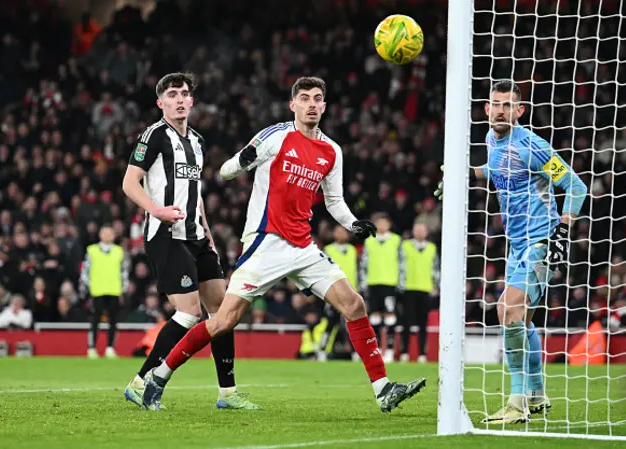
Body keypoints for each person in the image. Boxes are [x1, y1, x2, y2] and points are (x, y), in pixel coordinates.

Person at [142, 76, 426, 412]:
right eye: (304, 98)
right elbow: (226, 171)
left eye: (317, 98)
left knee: (354, 304)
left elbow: (334, 200)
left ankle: (383, 389)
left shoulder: (331, 151)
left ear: (324, 106)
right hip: (265, 242)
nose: (311, 105)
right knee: (223, 321)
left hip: (303, 246)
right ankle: (159, 377)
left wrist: (352, 223)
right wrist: (244, 159)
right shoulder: (275, 136)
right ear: (293, 105)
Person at [435, 80, 587, 424]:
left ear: (519, 111)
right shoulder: (491, 141)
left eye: (508, 105)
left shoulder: (532, 146)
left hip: (541, 242)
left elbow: (574, 186)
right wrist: (466, 173)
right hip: (516, 245)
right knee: (524, 321)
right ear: (486, 109)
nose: (501, 110)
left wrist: (563, 229)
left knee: (508, 311)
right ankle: (536, 394)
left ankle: (517, 404)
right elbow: (497, 171)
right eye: (495, 104)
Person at [121, 72, 259, 410]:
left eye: (185, 94)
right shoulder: (153, 136)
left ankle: (227, 394)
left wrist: (209, 235)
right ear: (161, 103)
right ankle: (140, 383)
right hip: (165, 235)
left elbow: (195, 195)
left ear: (192, 100)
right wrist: (157, 210)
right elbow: (129, 182)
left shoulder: (197, 141)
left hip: (197, 236)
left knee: (224, 312)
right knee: (189, 313)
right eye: (172, 94)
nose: (180, 99)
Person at [359, 213, 403, 362]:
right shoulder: (369, 241)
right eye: (379, 223)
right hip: (373, 283)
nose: (382, 226)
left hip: (390, 283)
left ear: (389, 225)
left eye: (384, 223)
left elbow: (402, 262)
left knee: (390, 317)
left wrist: (401, 283)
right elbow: (363, 264)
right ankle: (375, 350)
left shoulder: (396, 240)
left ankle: (389, 350)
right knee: (375, 317)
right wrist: (363, 282)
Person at [80, 225, 128, 358]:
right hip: (97, 290)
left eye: (110, 233)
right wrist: (87, 287)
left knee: (113, 320)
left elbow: (124, 271)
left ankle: (110, 348)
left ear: (114, 236)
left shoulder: (119, 251)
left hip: (114, 290)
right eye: (105, 233)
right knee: (95, 320)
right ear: (100, 235)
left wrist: (123, 290)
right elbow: (85, 270)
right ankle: (92, 348)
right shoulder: (92, 250)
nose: (107, 236)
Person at [398, 222, 439, 363]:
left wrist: (435, 285)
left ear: (426, 232)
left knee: (423, 323)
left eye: (422, 230)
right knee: (407, 322)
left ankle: (422, 354)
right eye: (417, 230)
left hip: (425, 289)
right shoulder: (405, 246)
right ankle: (404, 353)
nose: (420, 232)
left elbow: (435, 268)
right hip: (408, 288)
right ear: (413, 232)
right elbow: (400, 266)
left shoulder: (432, 248)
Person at [320, 224, 359, 361]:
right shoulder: (328, 249)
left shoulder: (352, 250)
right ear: (334, 234)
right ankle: (322, 350)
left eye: (344, 232)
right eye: (338, 231)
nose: (341, 234)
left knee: (352, 324)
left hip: (350, 292)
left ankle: (356, 353)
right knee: (331, 322)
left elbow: (356, 271)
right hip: (334, 291)